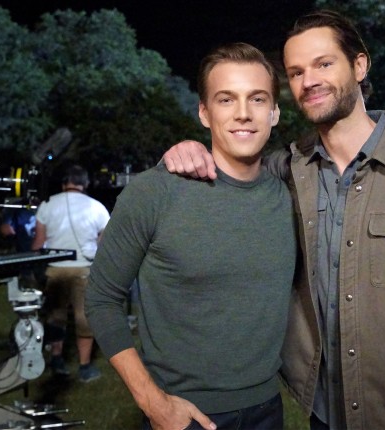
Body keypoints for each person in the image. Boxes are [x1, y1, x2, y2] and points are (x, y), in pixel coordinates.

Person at [162, 9, 385, 430]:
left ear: (359, 65)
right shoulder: (285, 170)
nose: (309, 81)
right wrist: (187, 151)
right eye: (296, 72)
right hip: (320, 411)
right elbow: (226, 170)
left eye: (323, 64)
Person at [85, 43, 297, 430]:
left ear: (275, 112)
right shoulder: (155, 192)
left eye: (257, 98)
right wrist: (154, 403)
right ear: (204, 112)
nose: (244, 113)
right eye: (226, 99)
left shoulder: (291, 195)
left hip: (268, 409)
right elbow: (101, 298)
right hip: (183, 414)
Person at [31, 164, 110, 382]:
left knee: (55, 315)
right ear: (85, 183)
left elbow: (38, 242)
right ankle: (84, 366)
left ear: (64, 183)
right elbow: (104, 242)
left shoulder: (47, 205)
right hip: (85, 268)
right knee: (84, 317)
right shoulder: (97, 207)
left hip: (55, 269)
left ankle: (57, 359)